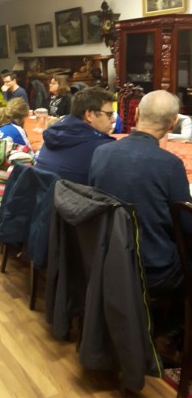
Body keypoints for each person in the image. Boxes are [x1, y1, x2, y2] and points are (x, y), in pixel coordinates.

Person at [89, 90, 192, 295]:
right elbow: (186, 228)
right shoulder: (170, 164)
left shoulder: (101, 152)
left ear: (136, 113)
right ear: (173, 123)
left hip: (105, 258)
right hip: (153, 269)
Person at [35, 87, 115, 184]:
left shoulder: (55, 131)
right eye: (109, 114)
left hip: (41, 191)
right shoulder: (102, 149)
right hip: (68, 193)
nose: (113, 120)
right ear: (89, 115)